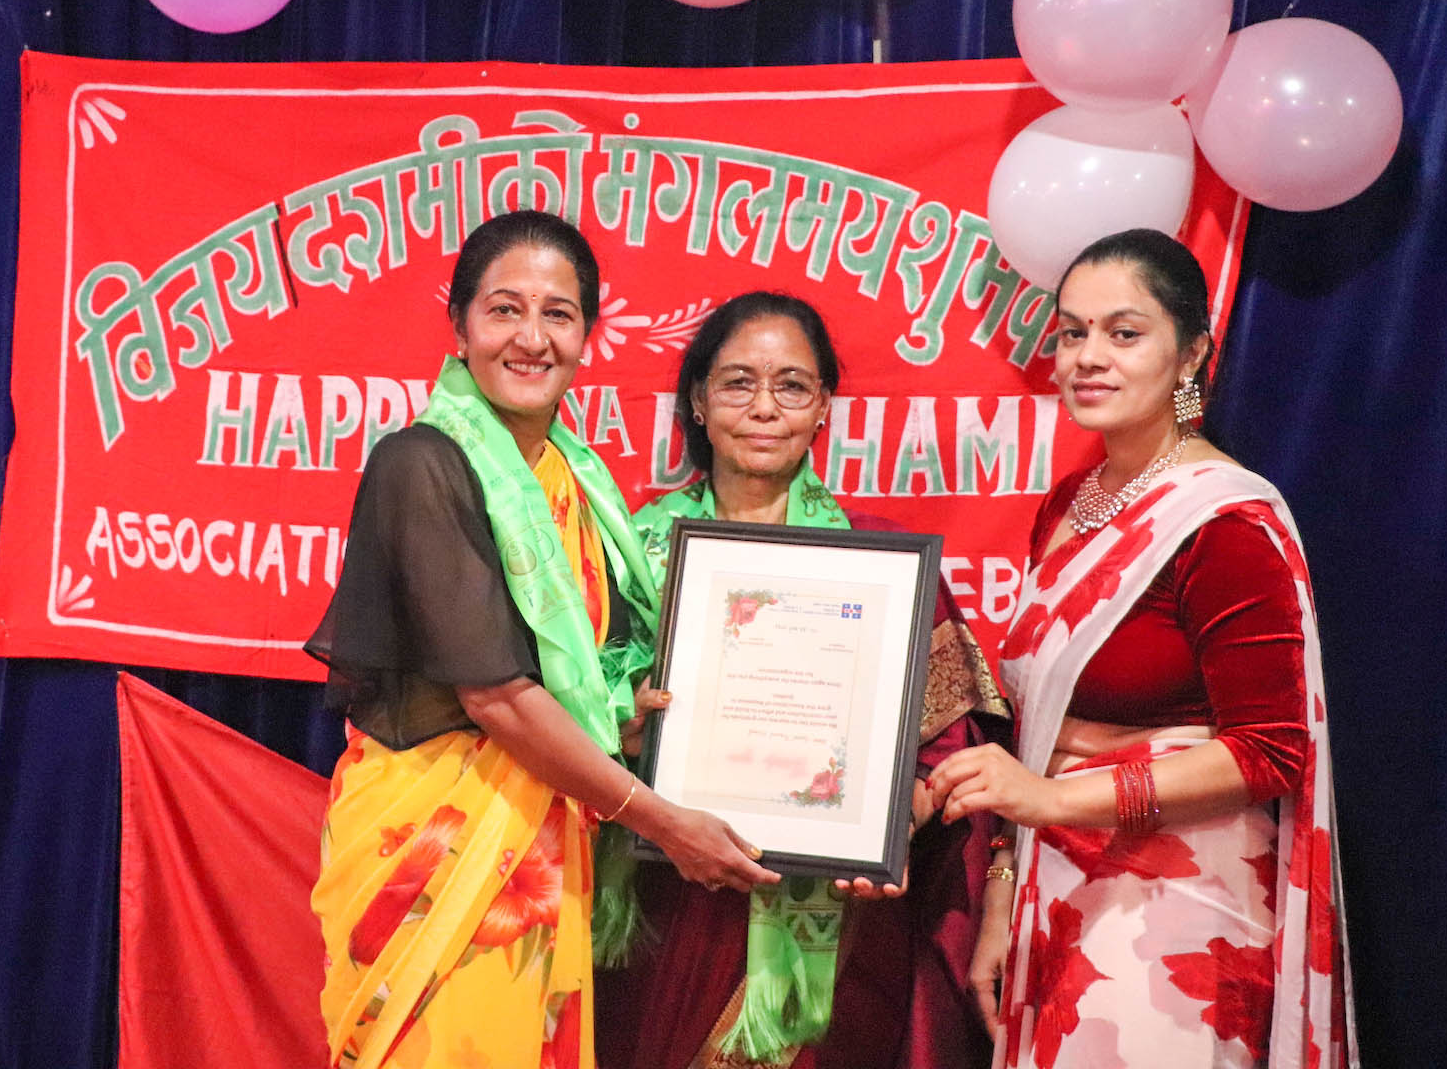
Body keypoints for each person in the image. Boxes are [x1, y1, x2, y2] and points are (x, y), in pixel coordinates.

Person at [306, 211, 779, 1069]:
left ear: (588, 336)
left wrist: (624, 726)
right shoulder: (421, 464)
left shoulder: (570, 478)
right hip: (435, 850)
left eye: (558, 314)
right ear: (459, 327)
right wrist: (664, 822)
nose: (532, 338)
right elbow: (495, 697)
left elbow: (563, 686)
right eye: (505, 310)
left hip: (544, 848)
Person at [927, 229, 1356, 1068]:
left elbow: (1269, 752)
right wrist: (1002, 897)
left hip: (1178, 917)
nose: (1088, 357)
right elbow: (1038, 741)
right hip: (1056, 889)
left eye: (1124, 333)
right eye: (1071, 333)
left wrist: (1053, 800)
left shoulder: (1225, 522)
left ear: (1191, 353)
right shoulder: (1068, 505)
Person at [596, 291, 1011, 1069]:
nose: (764, 407)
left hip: (834, 916)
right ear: (698, 400)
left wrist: (892, 824)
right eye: (738, 383)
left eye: (791, 385)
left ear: (823, 406)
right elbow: (560, 723)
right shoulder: (623, 554)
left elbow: (950, 745)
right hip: (663, 903)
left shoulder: (879, 562)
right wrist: (621, 729)